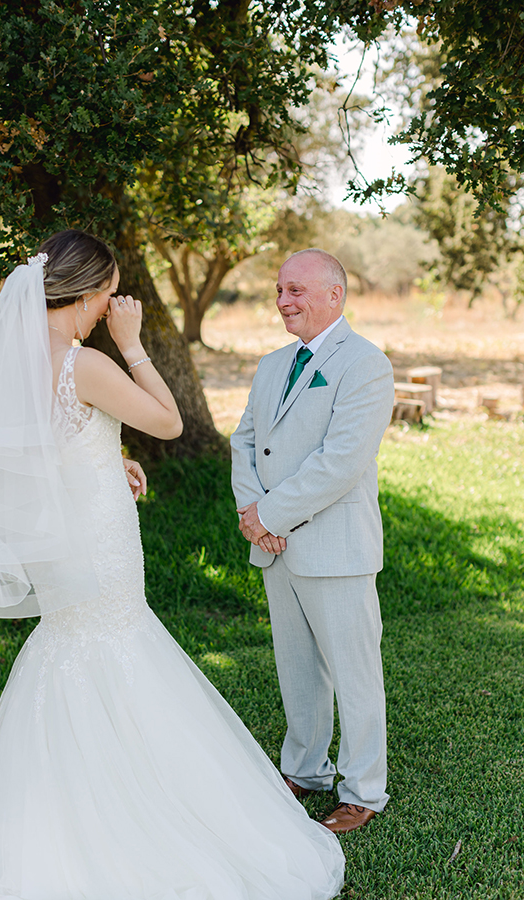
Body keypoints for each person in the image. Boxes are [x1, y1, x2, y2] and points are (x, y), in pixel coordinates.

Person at [0, 231, 344, 900]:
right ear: (87, 293)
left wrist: (102, 456)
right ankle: (134, 819)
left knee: (71, 646)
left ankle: (63, 817)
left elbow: (31, 453)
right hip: (95, 538)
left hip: (59, 539)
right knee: (115, 643)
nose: (108, 306)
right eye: (106, 295)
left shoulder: (16, 363)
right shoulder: (82, 362)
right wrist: (133, 343)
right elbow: (169, 421)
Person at [231, 249, 395, 835]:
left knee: (353, 673)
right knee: (296, 666)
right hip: (276, 545)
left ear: (335, 295)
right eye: (279, 290)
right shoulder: (272, 364)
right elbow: (244, 440)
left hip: (335, 544)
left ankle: (363, 789)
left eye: (296, 290)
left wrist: (269, 515)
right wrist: (253, 515)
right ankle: (305, 767)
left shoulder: (366, 365)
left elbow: (342, 462)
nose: (283, 301)